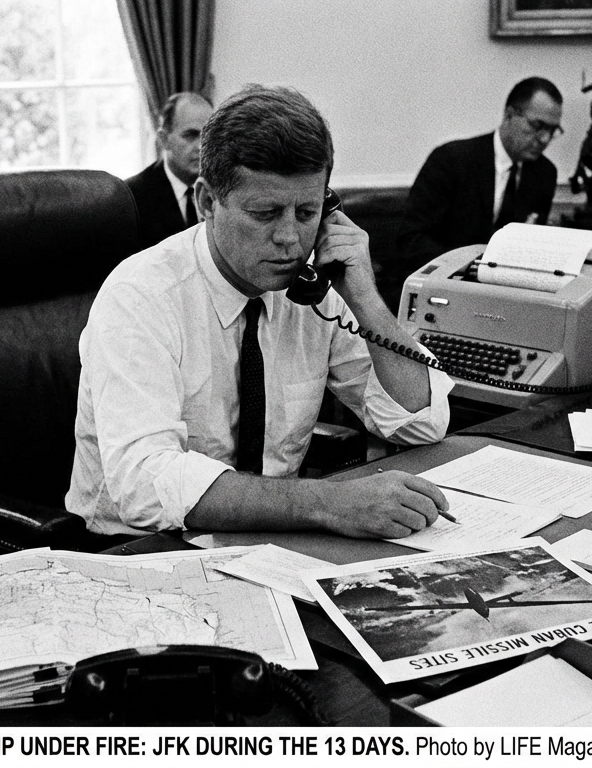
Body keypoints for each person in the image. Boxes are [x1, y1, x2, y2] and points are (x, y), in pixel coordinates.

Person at [68, 85, 454, 539]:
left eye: (307, 212)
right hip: (143, 549)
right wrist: (328, 503)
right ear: (207, 203)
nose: (290, 239)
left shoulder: (315, 289)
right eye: (266, 213)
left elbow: (421, 423)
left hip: (269, 539)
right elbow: (142, 486)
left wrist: (365, 298)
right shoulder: (141, 297)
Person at [390, 77, 563, 306]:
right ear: (509, 115)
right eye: (537, 126)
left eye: (553, 130)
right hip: (439, 290)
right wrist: (471, 268)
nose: (544, 139)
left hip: (503, 300)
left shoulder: (544, 174)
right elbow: (411, 239)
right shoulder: (451, 160)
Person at [126, 92, 214, 249]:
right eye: (191, 135)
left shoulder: (222, 192)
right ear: (164, 139)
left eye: (207, 136)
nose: (202, 146)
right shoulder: (132, 197)